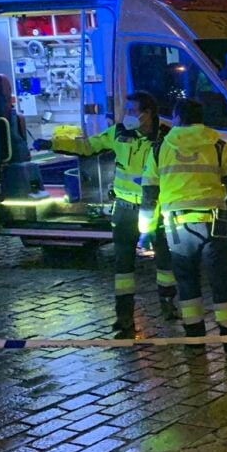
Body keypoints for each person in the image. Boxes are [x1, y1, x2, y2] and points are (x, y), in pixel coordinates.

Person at [32, 91, 177, 336]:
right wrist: (53, 144)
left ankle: (168, 304)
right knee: (123, 266)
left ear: (148, 113)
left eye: (133, 111)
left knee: (164, 261)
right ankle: (124, 319)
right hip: (124, 210)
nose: (128, 115)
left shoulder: (167, 138)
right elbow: (88, 146)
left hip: (157, 210)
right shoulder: (119, 133)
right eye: (127, 110)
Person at [139, 98, 227, 355]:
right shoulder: (218, 146)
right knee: (220, 280)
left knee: (187, 283)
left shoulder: (159, 149)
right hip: (214, 224)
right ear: (202, 119)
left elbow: (150, 194)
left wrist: (146, 230)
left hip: (177, 229)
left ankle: (195, 340)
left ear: (177, 118)